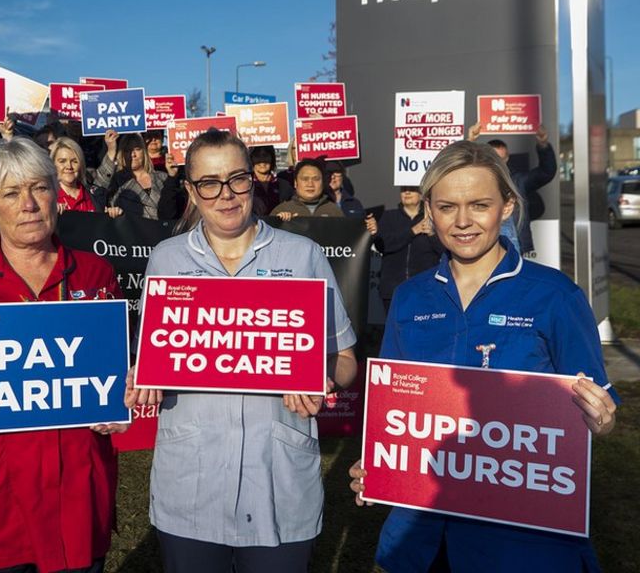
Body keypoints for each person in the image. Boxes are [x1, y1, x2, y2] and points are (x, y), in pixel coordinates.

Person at [349, 141, 620, 573]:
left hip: (521, 540)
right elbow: (393, 410)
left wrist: (600, 420)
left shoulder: (555, 295)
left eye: (479, 205)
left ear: (508, 206)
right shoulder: (408, 297)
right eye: (446, 206)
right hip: (421, 537)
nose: (461, 222)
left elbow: (597, 411)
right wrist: (380, 464)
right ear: (428, 211)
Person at [126, 129, 358, 572]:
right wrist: (143, 376)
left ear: (254, 180)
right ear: (192, 191)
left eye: (237, 179)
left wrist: (321, 377)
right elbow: (157, 355)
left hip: (278, 484)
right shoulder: (167, 259)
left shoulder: (303, 255)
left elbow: (346, 359)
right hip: (191, 484)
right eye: (209, 183)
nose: (226, 195)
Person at [0, 137, 124, 573]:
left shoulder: (96, 273)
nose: (29, 204)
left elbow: (114, 372)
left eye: (39, 188)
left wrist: (120, 394)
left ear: (57, 194)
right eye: (12, 193)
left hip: (77, 497)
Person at [468, 123, 556, 254]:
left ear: (507, 158)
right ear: (486, 157)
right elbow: (457, 168)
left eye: (502, 159)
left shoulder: (518, 181)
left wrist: (543, 144)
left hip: (514, 246)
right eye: (494, 158)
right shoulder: (473, 179)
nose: (498, 162)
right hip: (481, 244)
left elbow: (546, 172)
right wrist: (470, 141)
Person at [365, 186, 444, 314]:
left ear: (421, 194)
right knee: (397, 330)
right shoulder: (389, 216)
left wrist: (432, 234)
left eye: (412, 189)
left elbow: (443, 251)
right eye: (403, 189)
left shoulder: (433, 217)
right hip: (393, 289)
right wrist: (413, 231)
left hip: (426, 289)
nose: (407, 192)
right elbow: (383, 246)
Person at [94, 130, 181, 220]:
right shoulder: (115, 180)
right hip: (131, 232)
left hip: (162, 231)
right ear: (121, 154)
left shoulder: (163, 177)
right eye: (127, 150)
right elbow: (97, 189)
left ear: (144, 152)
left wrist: (172, 177)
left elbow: (173, 211)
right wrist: (111, 150)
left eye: (137, 149)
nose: (133, 154)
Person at [50, 136, 120, 216]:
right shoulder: (47, 197)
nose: (69, 166)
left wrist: (113, 214)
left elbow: (103, 177)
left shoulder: (95, 194)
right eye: (62, 161)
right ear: (53, 164)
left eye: (74, 161)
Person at [271, 157, 344, 219]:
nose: (310, 184)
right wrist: (280, 222)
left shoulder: (334, 211)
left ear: (323, 182)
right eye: (305, 179)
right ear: (296, 183)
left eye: (316, 179)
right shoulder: (281, 211)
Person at [249, 145, 293, 216]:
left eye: (265, 155)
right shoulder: (246, 184)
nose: (262, 161)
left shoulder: (284, 185)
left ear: (272, 158)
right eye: (257, 156)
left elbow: (292, 206)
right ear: (251, 159)